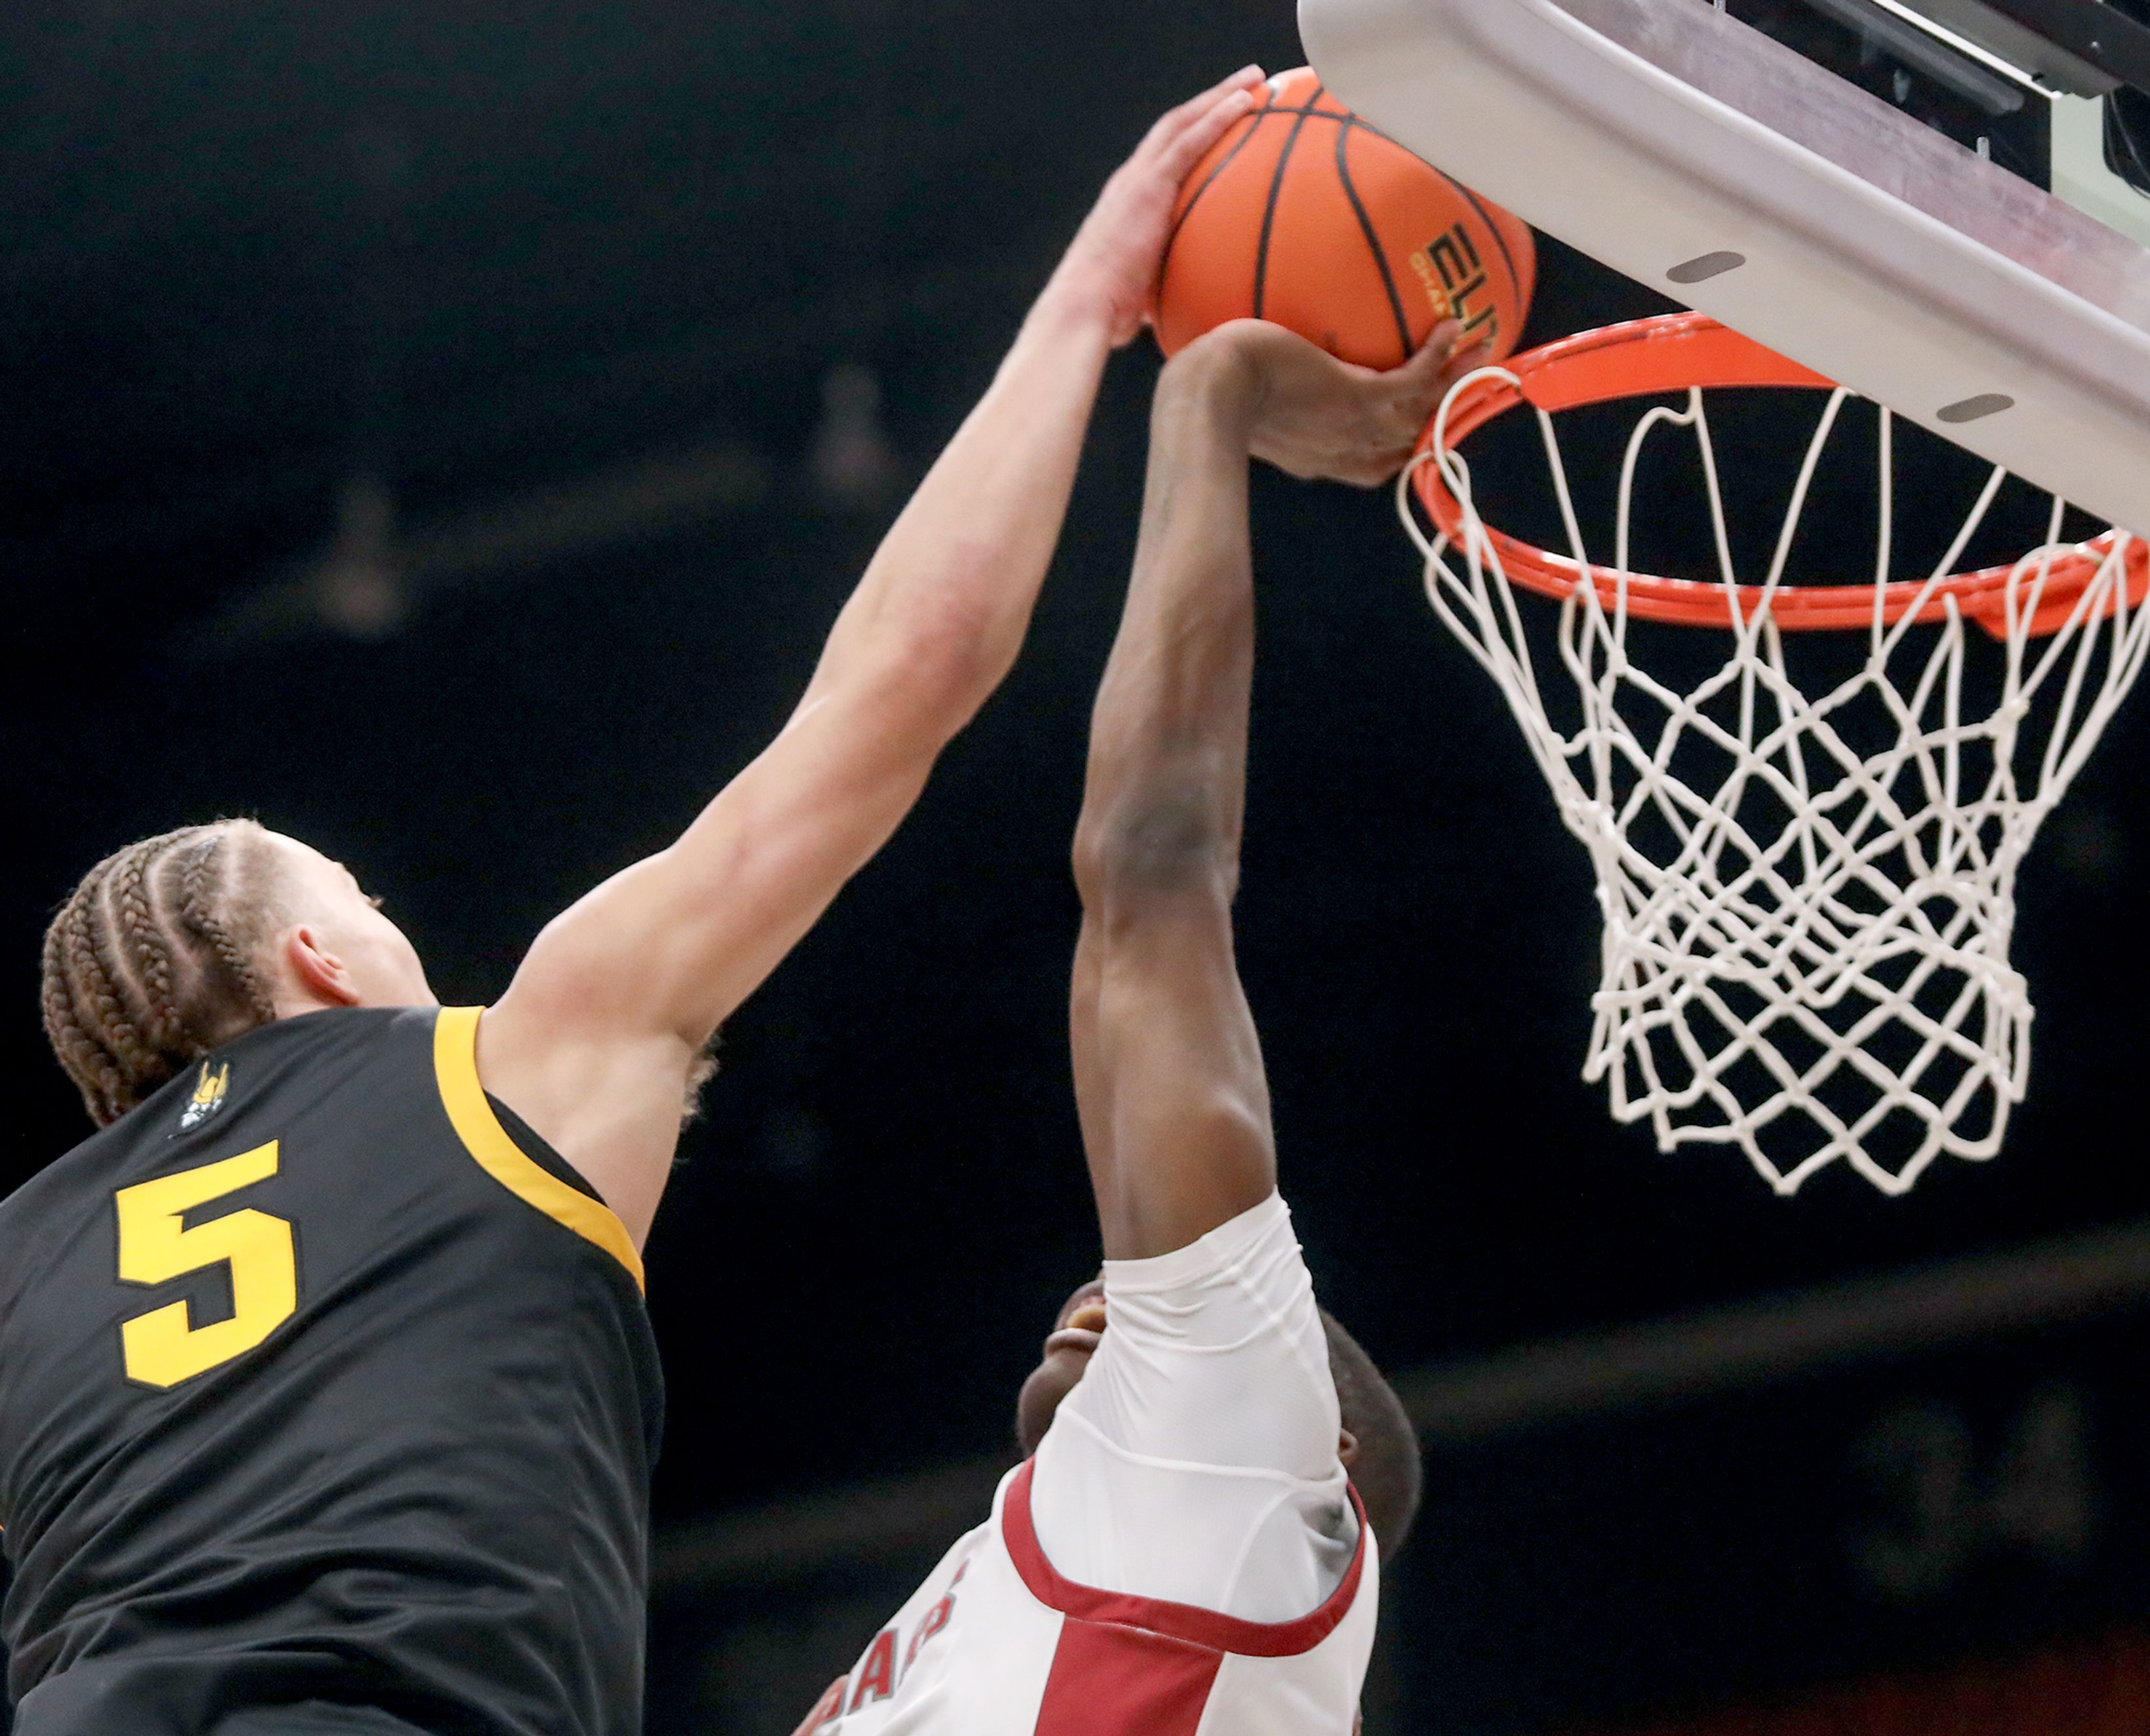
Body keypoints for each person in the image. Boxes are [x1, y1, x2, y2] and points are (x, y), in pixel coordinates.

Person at [1, 68, 1267, 1736]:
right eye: (363, 894)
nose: (394, 926)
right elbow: (900, 687)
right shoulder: (500, 1061)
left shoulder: (23, 1263)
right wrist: (1089, 305)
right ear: (317, 953)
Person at [789, 313, 1479, 1736]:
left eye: (1178, 1312)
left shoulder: (1234, 1459)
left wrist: (1213, 399)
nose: (1097, 1294)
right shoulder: (981, 1607)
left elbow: (1155, 869)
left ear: (1311, 1443)